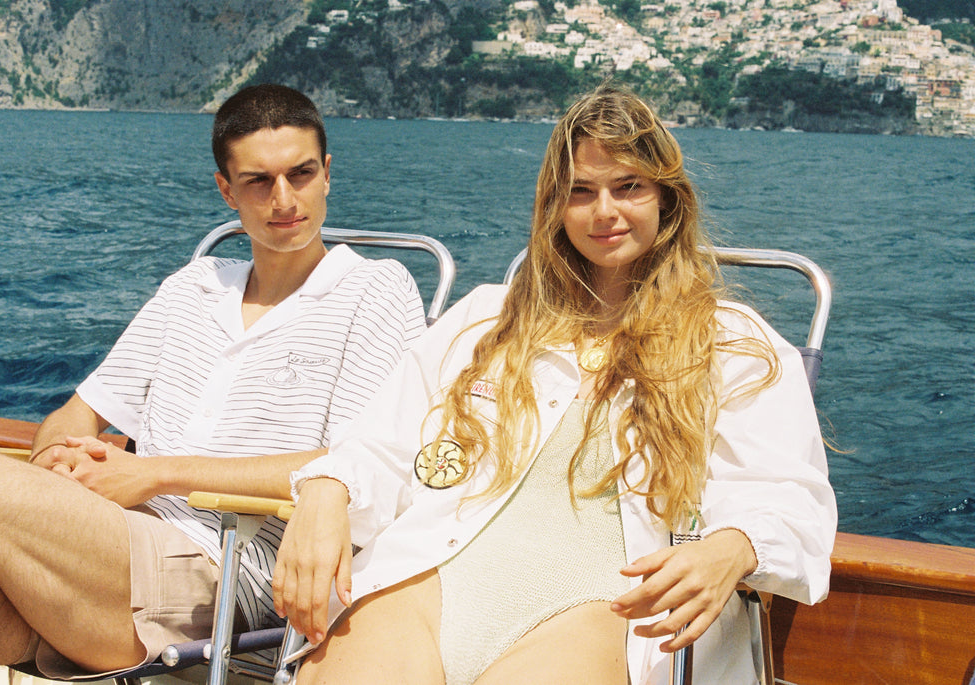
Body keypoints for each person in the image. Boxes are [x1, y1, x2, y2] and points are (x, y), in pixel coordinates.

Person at [272, 84, 837, 684]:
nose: (605, 212)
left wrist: (735, 545)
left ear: (667, 200)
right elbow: (379, 446)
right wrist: (327, 489)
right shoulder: (488, 318)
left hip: (605, 610)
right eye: (581, 192)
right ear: (554, 207)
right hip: (433, 586)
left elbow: (794, 499)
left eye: (629, 187)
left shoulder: (732, 344)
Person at [0, 84, 426, 678]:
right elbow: (78, 413)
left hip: (231, 571)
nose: (284, 199)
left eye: (301, 174)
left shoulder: (375, 291)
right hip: (109, 550)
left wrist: (151, 473)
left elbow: (360, 462)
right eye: (258, 181)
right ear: (226, 189)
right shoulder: (196, 286)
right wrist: (58, 468)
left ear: (327, 173)